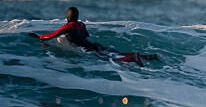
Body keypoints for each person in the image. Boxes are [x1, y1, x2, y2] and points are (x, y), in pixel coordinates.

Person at [28, 7, 156, 66]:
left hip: (87, 49)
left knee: (111, 60)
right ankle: (147, 57)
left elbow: (50, 36)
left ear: (68, 17)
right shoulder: (81, 24)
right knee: (116, 53)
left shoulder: (66, 28)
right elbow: (86, 36)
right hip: (93, 45)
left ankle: (132, 58)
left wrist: (38, 37)